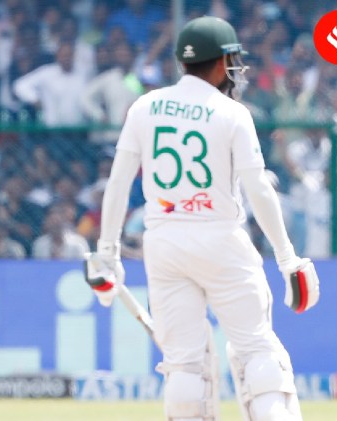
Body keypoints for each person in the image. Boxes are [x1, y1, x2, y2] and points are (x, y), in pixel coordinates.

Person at [85, 17, 320, 421]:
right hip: (221, 238)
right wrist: (287, 258)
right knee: (257, 353)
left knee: (184, 368)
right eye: (231, 61)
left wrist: (108, 252)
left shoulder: (144, 106)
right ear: (219, 63)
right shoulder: (232, 113)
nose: (234, 70)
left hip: (163, 243)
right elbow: (259, 189)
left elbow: (118, 183)